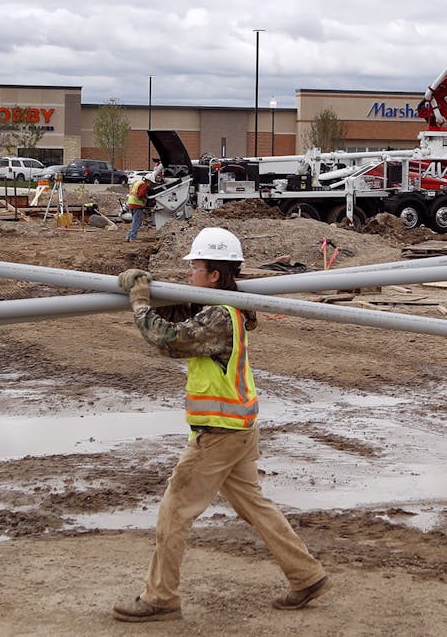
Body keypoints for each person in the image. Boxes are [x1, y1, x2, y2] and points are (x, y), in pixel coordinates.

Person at [112, 227, 329, 623]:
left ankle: (160, 598)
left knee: (175, 510)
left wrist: (139, 300)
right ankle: (306, 575)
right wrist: (153, 292)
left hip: (219, 434)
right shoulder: (228, 306)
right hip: (239, 429)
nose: (188, 275)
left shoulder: (219, 316)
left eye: (195, 268)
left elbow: (168, 339)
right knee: (256, 507)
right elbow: (181, 314)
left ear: (214, 275)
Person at [124, 175, 151, 242]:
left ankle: (129, 236)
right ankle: (132, 237)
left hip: (131, 203)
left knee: (135, 221)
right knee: (136, 222)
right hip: (137, 204)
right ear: (148, 180)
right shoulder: (144, 185)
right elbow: (140, 195)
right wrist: (145, 198)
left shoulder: (137, 182)